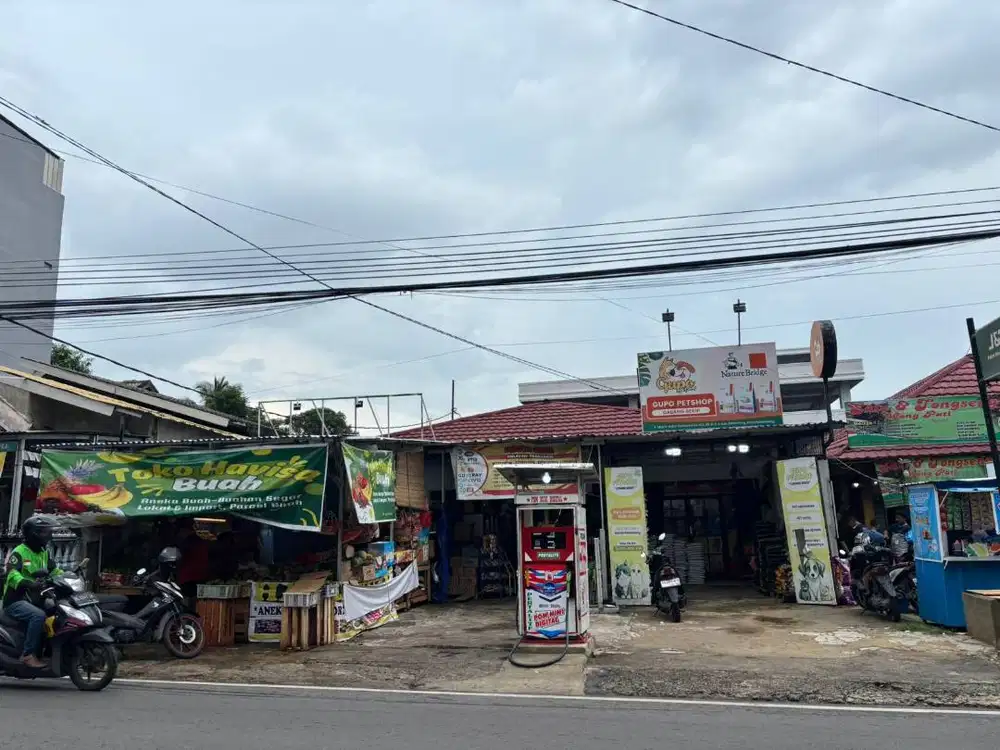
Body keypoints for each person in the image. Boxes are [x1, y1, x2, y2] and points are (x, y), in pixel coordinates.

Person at [2, 516, 62, 668]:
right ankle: (27, 655)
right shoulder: (19, 552)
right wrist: (29, 584)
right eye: (45, 532)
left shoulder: (43, 552)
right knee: (38, 615)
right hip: (16, 600)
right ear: (34, 534)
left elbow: (54, 571)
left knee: (58, 610)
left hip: (36, 598)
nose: (49, 535)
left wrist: (68, 577)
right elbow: (12, 574)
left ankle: (47, 651)